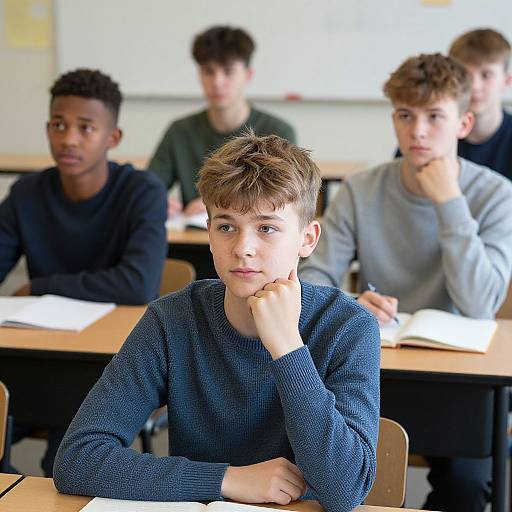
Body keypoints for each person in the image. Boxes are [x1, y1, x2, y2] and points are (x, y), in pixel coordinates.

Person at [54, 132, 380, 512]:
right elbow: (78, 458)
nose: (243, 247)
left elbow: (344, 492)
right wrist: (226, 479)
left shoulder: (348, 326)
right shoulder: (172, 319)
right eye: (226, 226)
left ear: (307, 239)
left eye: (267, 228)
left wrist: (287, 347)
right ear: (208, 233)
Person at [299, 53, 512, 512]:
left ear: (463, 122)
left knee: (468, 485)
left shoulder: (496, 194)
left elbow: (479, 304)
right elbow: (313, 278)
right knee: (319, 472)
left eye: (435, 117)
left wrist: (449, 201)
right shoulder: (362, 189)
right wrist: (352, 302)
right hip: (373, 364)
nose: (417, 131)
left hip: (459, 381)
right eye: (405, 116)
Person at [0, 68, 167, 476]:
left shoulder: (142, 193)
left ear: (113, 138)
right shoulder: (26, 193)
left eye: (85, 127)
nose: (68, 138)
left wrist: (40, 287)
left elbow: (138, 283)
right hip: (31, 351)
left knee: (66, 460)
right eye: (58, 125)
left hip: (99, 368)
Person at [148, 25, 297, 218]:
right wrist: (155, 200)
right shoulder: (180, 131)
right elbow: (150, 186)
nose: (217, 82)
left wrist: (216, 206)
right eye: (208, 71)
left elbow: (284, 201)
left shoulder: (278, 132)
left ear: (248, 75)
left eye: (228, 71)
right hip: (194, 240)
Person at [449, 28, 512, 180]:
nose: (475, 86)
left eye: (486, 75)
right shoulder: (429, 135)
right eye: (466, 75)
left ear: (506, 80)